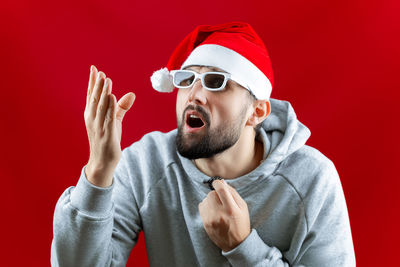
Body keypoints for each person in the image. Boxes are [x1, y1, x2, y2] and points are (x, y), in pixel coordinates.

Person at [50, 21, 356, 266]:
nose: (194, 95)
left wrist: (244, 247)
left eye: (215, 82)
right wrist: (98, 173)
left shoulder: (311, 180)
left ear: (257, 112)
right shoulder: (147, 164)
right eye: (186, 80)